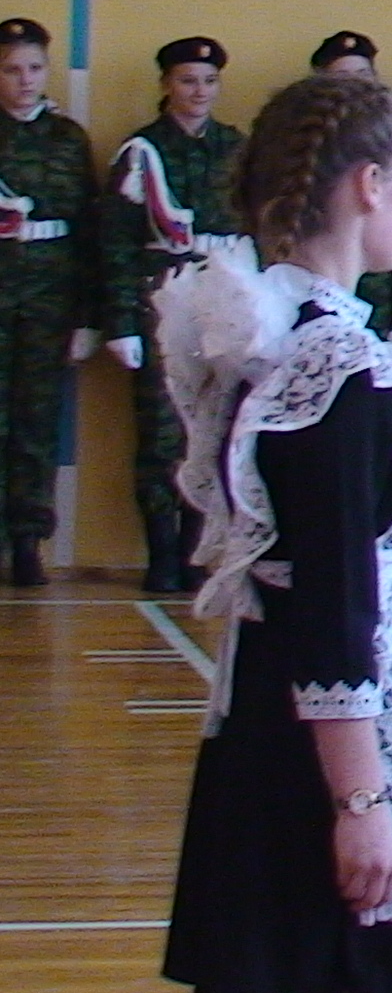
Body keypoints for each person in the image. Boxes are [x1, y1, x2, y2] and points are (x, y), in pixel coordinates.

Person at [161, 73, 392, 993]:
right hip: (323, 737)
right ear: (369, 185)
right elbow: (335, 599)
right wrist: (362, 802)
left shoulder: (273, 339)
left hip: (269, 700)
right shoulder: (333, 370)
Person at [100, 36, 247, 594]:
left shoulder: (236, 147)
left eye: (209, 81)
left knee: (215, 429)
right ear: (165, 85)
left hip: (223, 300)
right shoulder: (143, 151)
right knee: (164, 434)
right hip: (162, 302)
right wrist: (120, 321)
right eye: (188, 81)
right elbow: (116, 241)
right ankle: (163, 553)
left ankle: (196, 545)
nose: (199, 92)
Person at [0, 18, 97, 587]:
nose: (25, 81)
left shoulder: (67, 139)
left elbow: (89, 231)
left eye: (34, 68)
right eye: (12, 70)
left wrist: (86, 317)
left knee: (36, 421)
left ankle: (27, 540)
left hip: (48, 296)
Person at [309, 32, 392, 346]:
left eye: (363, 75)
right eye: (343, 77)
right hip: (322, 297)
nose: (356, 86)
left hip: (381, 301)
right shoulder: (305, 150)